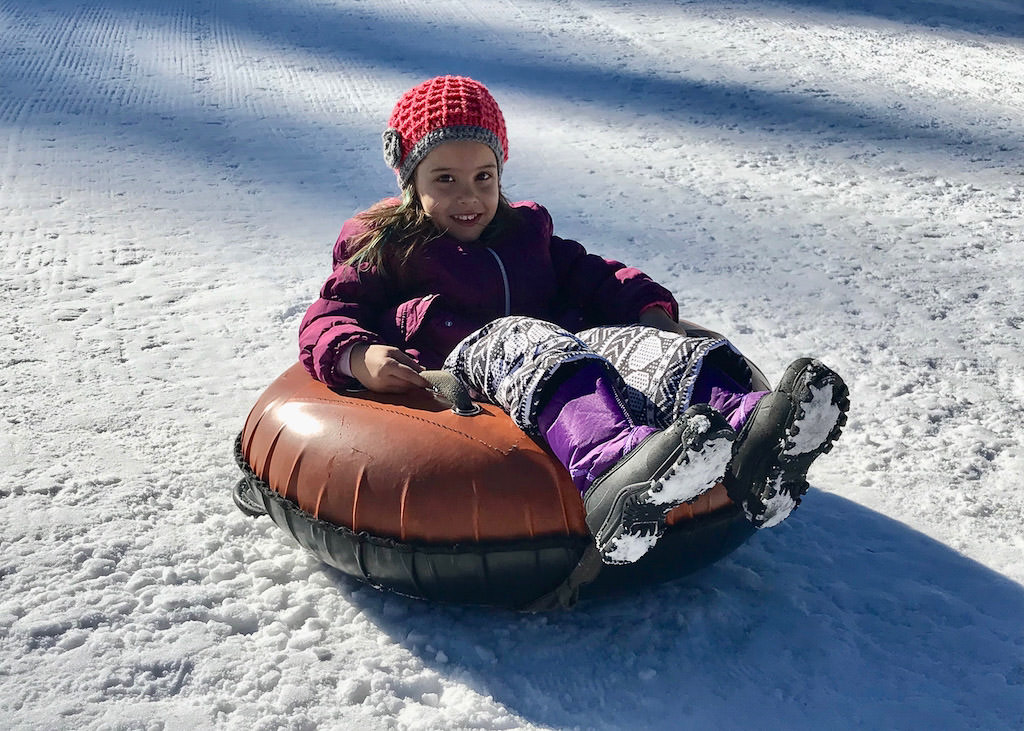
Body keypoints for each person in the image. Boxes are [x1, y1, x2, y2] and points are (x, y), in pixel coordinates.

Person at [299, 76, 850, 565]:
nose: (469, 197)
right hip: (463, 369)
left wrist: (647, 310)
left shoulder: (527, 233)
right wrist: (358, 355)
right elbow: (330, 313)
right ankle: (613, 469)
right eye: (445, 179)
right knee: (524, 334)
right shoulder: (386, 245)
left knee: (636, 346)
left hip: (558, 357)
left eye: (483, 177)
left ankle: (753, 435)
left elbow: (593, 274)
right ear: (410, 179)